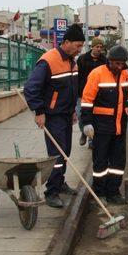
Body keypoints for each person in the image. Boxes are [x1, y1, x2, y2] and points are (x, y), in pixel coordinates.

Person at [24, 25, 85, 208]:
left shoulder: (72, 61)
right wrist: (39, 112)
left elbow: (71, 89)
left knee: (65, 152)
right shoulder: (48, 60)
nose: (80, 49)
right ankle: (51, 192)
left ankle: (60, 182)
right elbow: (31, 88)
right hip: (53, 116)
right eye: (77, 45)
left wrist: (73, 109)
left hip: (66, 114)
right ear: (65, 42)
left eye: (82, 46)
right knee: (56, 155)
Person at [80, 45, 128, 205]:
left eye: (121, 64)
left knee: (118, 162)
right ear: (109, 61)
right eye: (115, 63)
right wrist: (86, 123)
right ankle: (99, 193)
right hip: (101, 127)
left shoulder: (126, 76)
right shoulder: (97, 74)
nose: (118, 66)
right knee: (100, 162)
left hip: (119, 127)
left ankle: (113, 192)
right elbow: (87, 100)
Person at [76, 37, 106, 148]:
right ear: (92, 47)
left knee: (93, 117)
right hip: (82, 94)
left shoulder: (104, 61)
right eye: (97, 47)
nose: (99, 49)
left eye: (100, 47)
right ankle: (84, 132)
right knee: (80, 115)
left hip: (98, 95)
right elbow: (77, 77)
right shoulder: (82, 59)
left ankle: (91, 141)